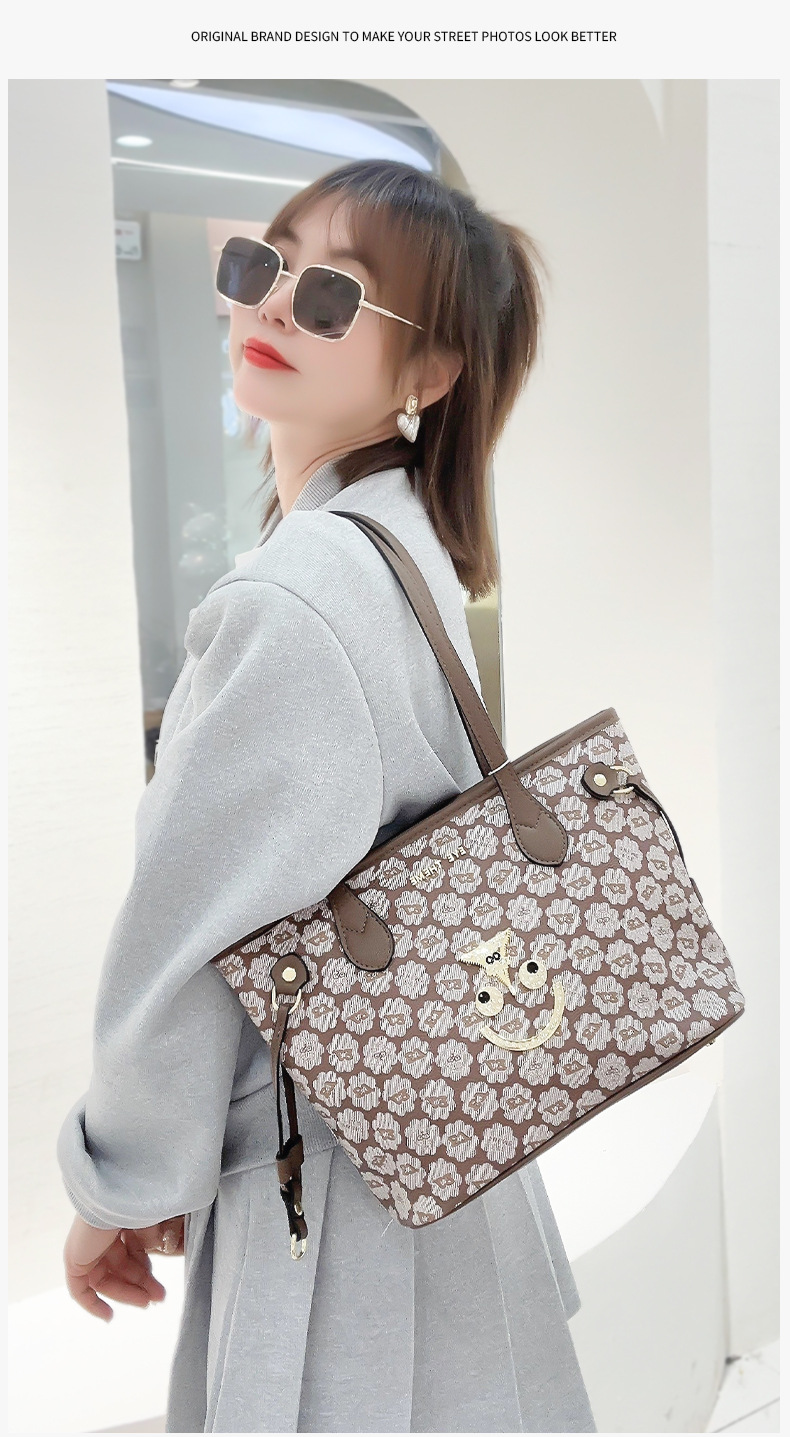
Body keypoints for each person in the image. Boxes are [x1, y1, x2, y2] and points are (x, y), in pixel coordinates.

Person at [58, 158, 597, 1433]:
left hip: (340, 1196)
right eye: (263, 266)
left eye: (333, 296)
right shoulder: (404, 546)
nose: (270, 306)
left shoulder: (295, 596)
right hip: (440, 1148)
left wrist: (120, 1181)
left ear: (430, 372)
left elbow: (191, 939)